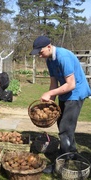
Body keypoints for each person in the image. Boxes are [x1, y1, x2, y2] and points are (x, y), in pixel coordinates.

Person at [30, 36, 91, 173]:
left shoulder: (64, 57)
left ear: (49, 47)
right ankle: (72, 152)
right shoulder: (49, 60)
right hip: (65, 93)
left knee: (65, 128)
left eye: (40, 52)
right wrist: (51, 98)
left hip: (75, 93)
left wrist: (49, 92)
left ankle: (62, 163)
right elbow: (54, 83)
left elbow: (71, 84)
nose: (40, 56)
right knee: (62, 125)